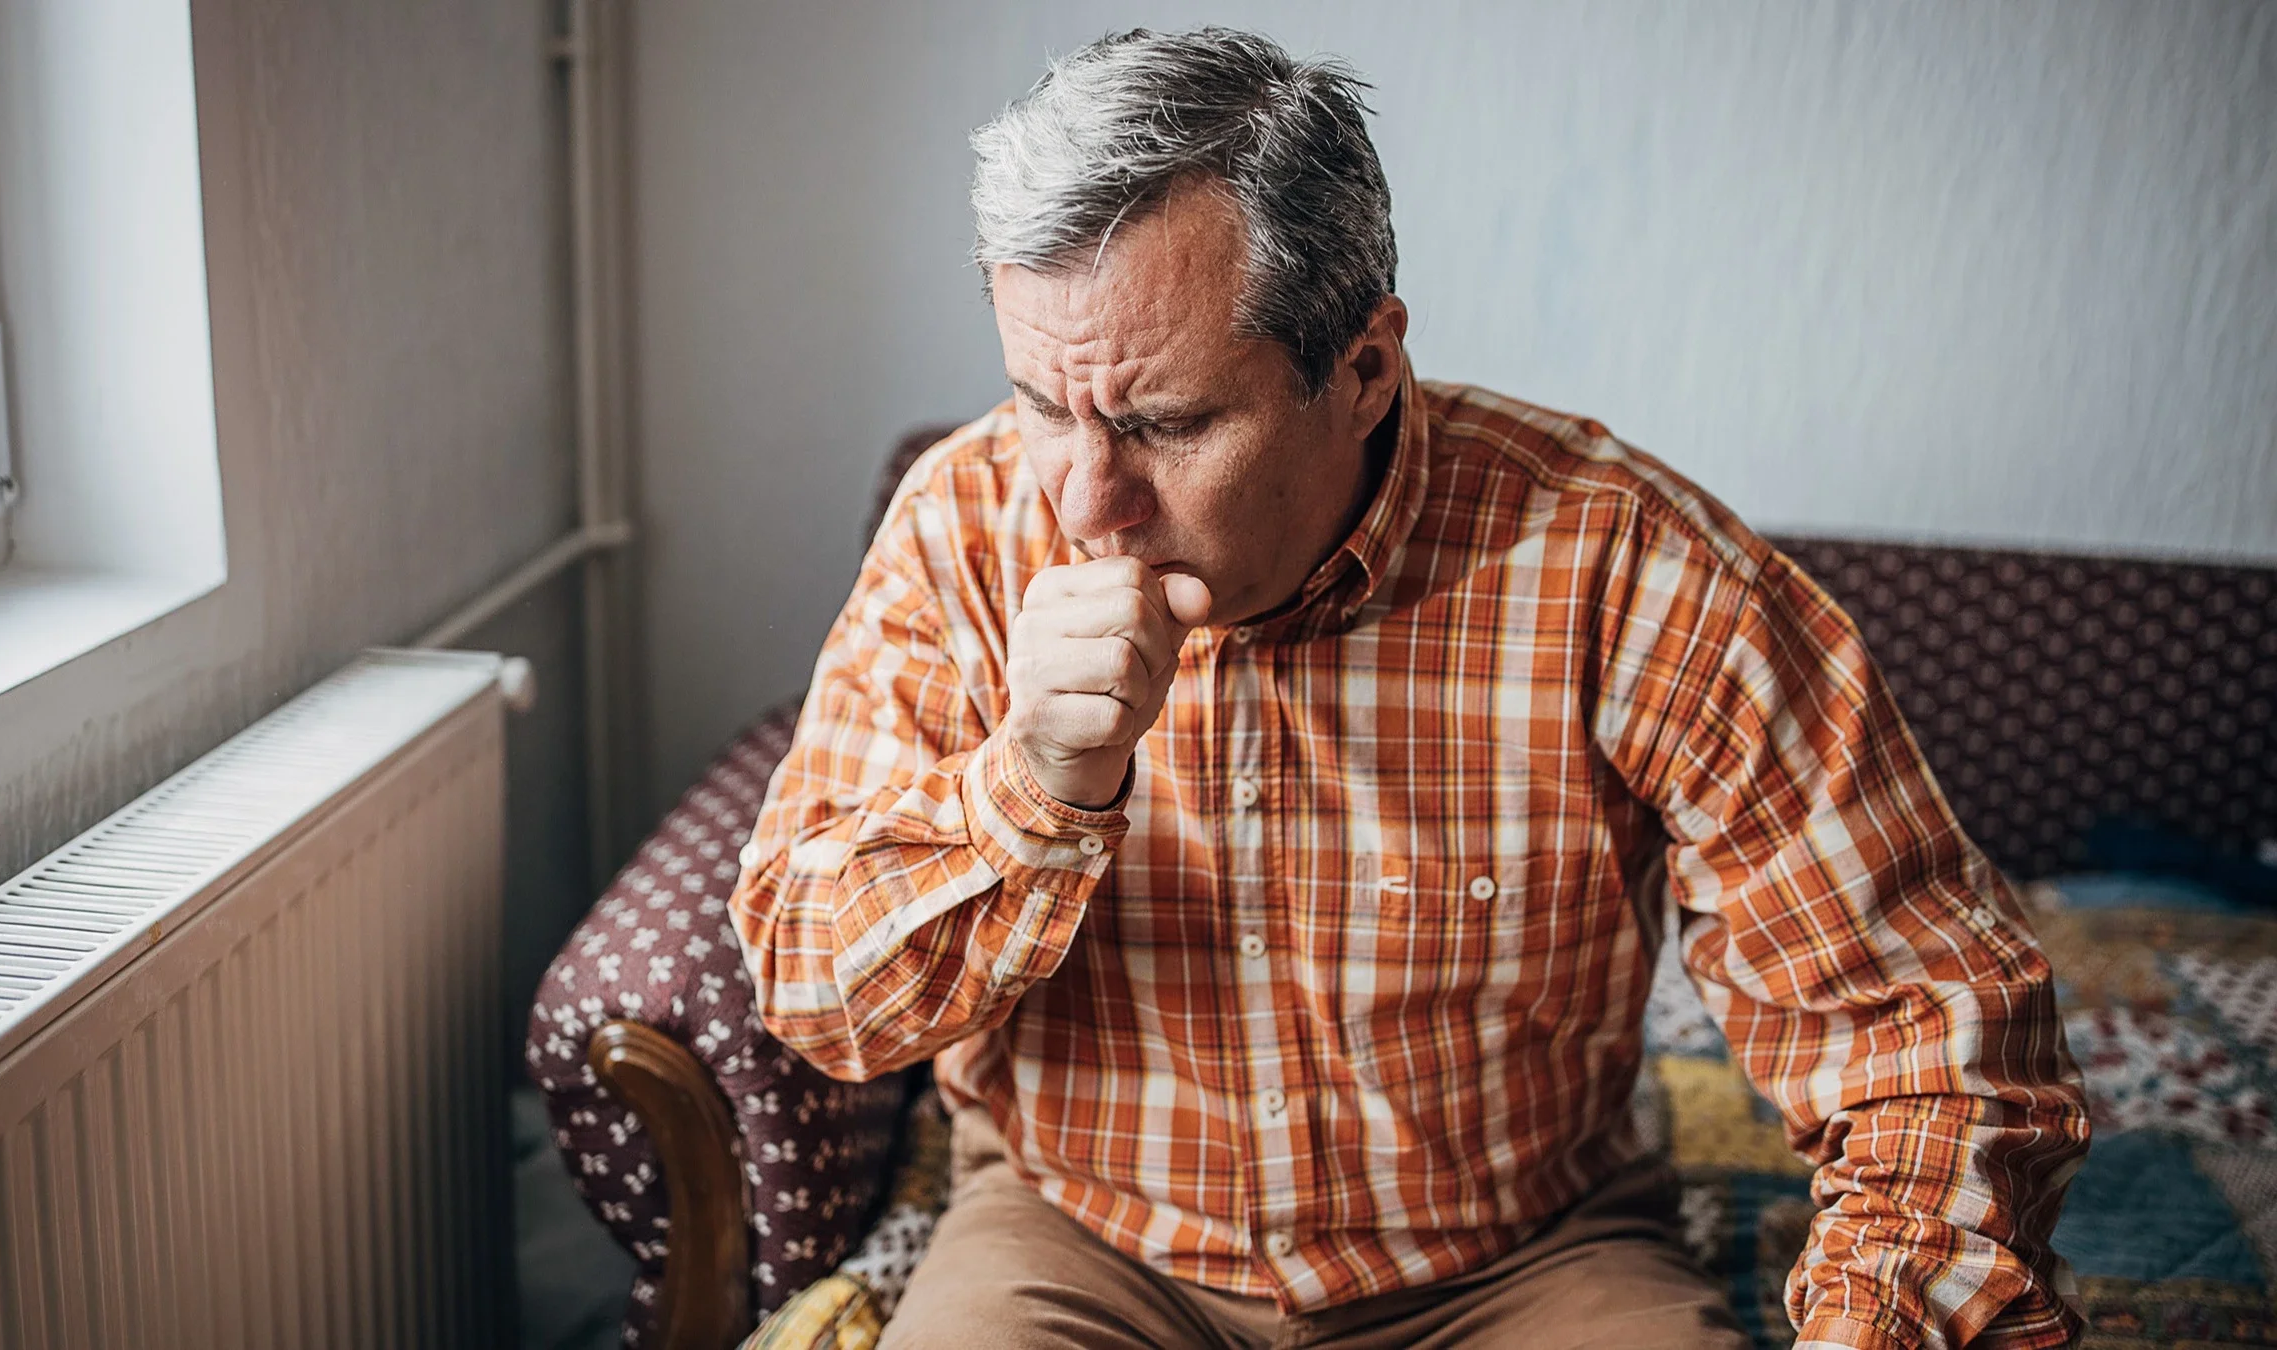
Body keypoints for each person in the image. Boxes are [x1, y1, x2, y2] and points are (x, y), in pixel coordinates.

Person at [729, 26, 2087, 1350]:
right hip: (1080, 1236)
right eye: (1039, 400)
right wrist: (1026, 789)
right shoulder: (959, 529)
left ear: (1364, 367)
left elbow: (1933, 1032)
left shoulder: (1629, 569)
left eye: (1169, 421)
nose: (1086, 501)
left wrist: (1876, 1320)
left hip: (1519, 1257)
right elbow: (813, 990)